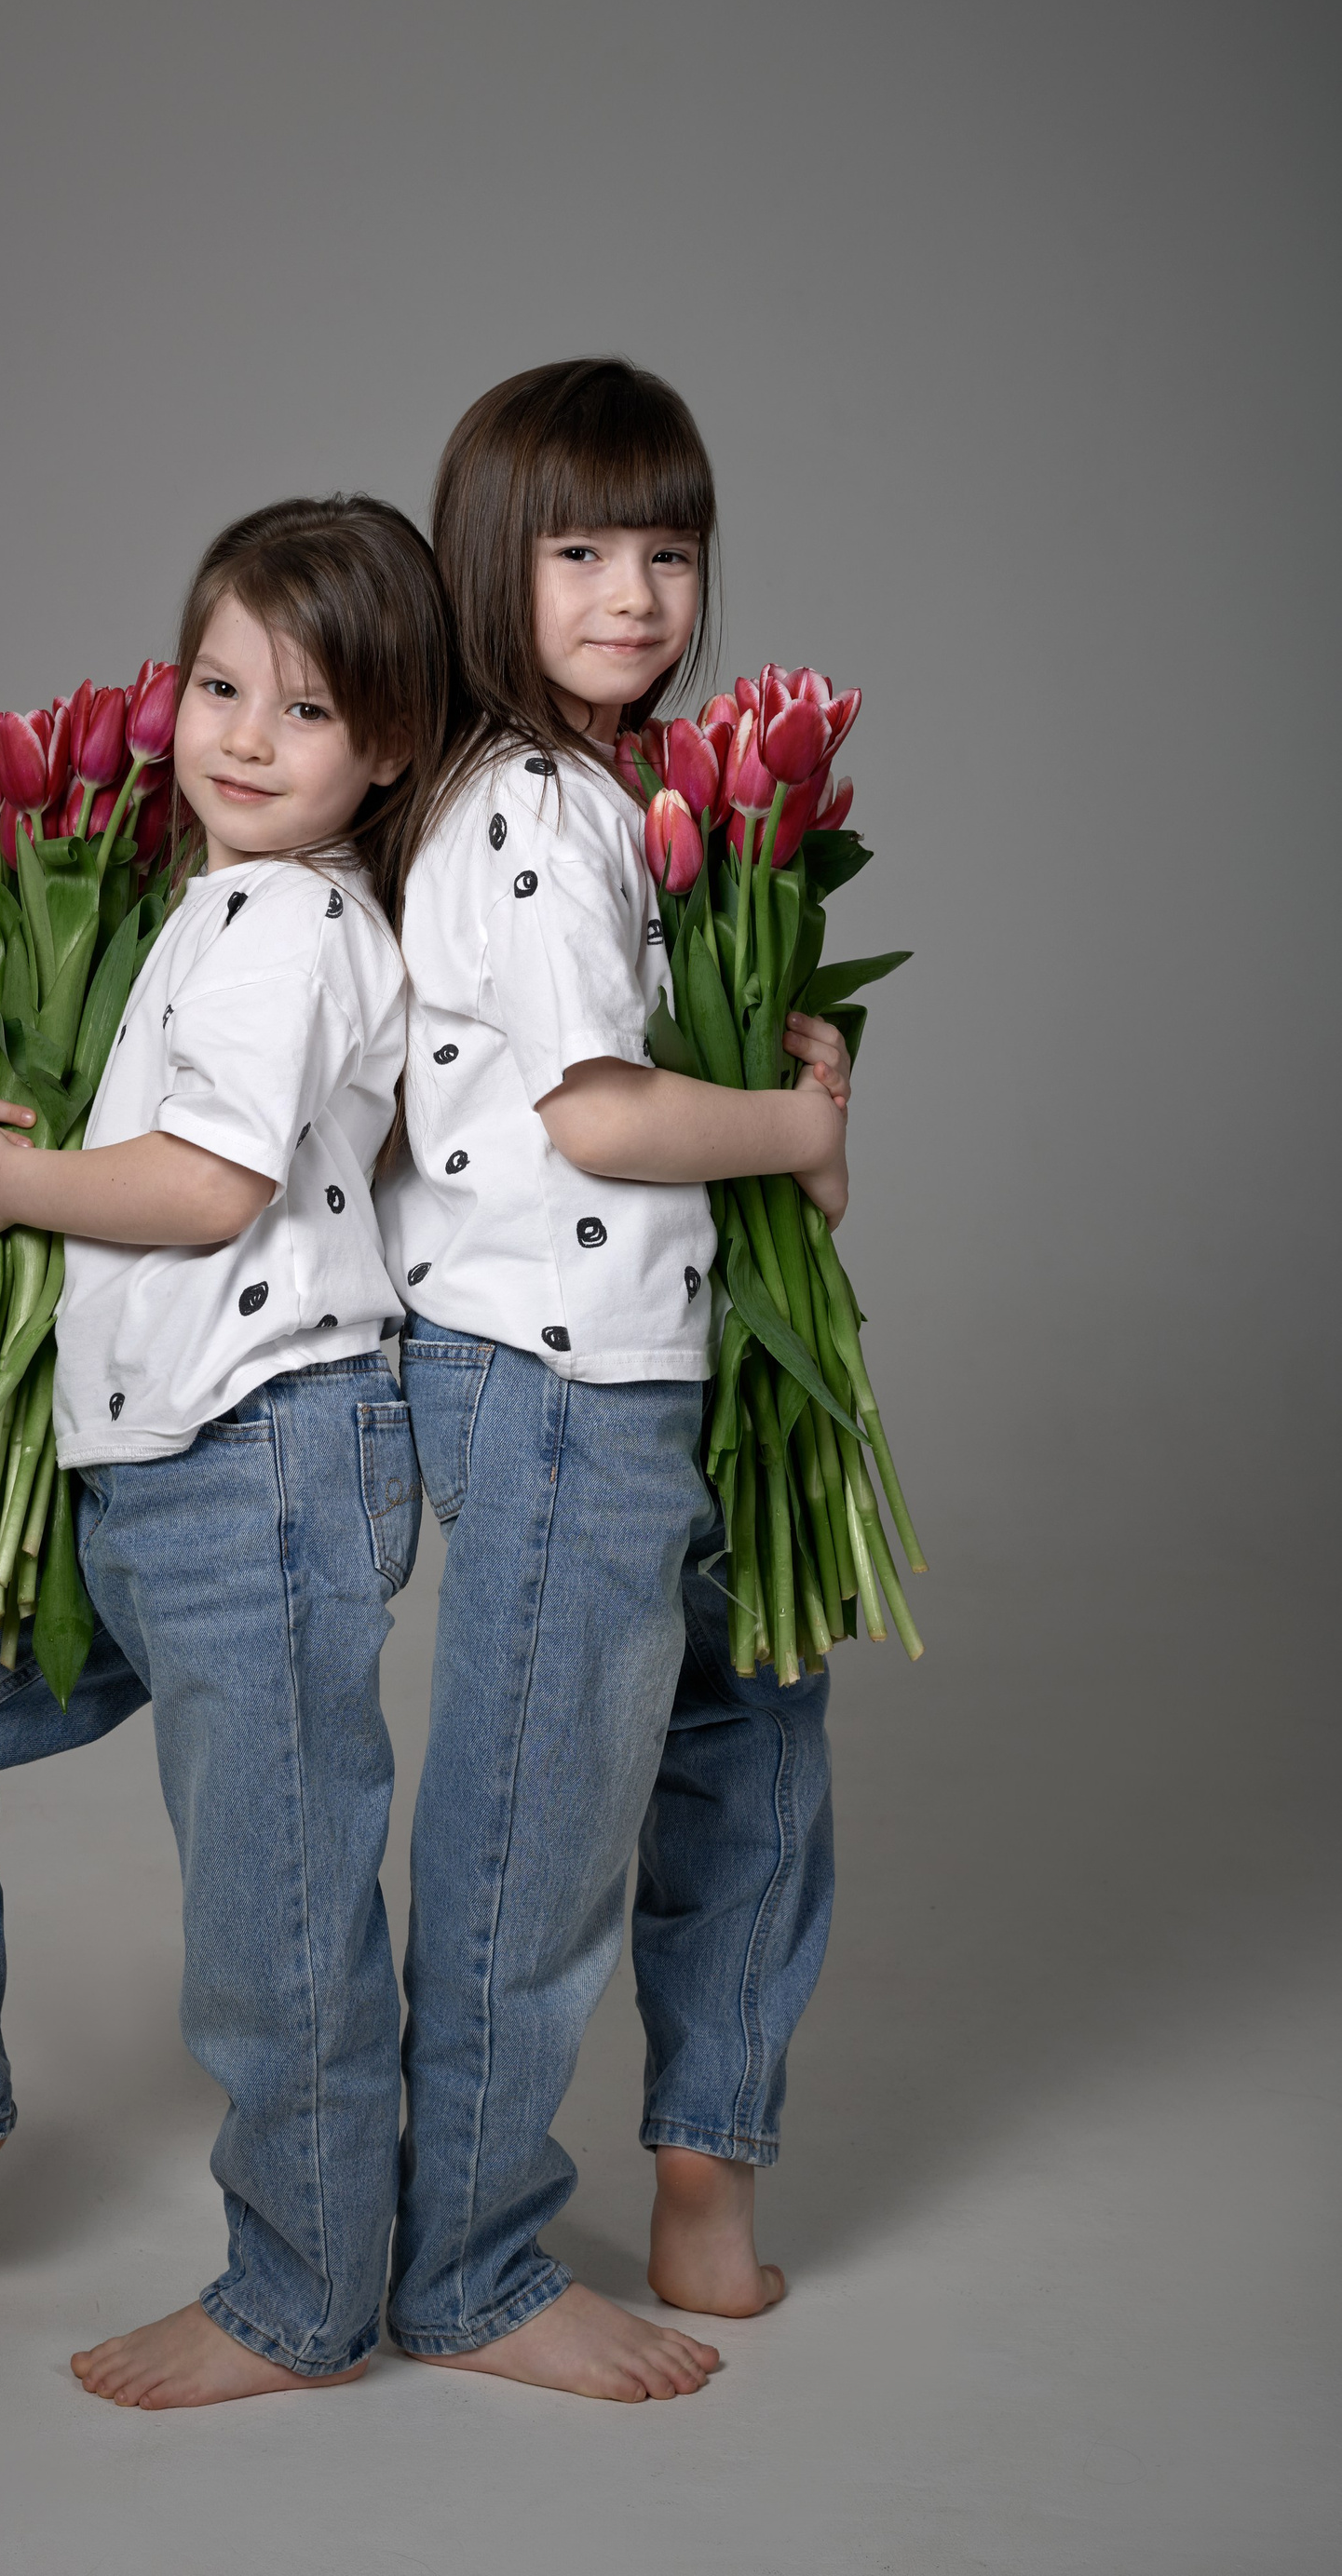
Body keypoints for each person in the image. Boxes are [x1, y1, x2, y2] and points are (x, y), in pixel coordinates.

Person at [0, 495, 448, 2408]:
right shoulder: (208, 907)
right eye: (218, 685)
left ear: (388, 745)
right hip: (140, 1467)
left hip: (266, 1464)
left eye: (307, 710)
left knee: (275, 1911)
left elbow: (207, 1184)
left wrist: (6, 1189)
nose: (244, 737)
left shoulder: (293, 923)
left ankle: (303, 2298)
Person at [376, 360, 851, 2399]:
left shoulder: (634, 794)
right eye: (578, 551)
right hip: (555, 1384)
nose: (635, 594)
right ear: (492, 562)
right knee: (537, 1821)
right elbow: (601, 1115)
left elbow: (676, 1074)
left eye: (669, 551)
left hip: (677, 1359)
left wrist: (785, 1087)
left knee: (757, 1741)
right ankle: (468, 2265)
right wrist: (800, 1129)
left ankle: (706, 2169)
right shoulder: (521, 811)